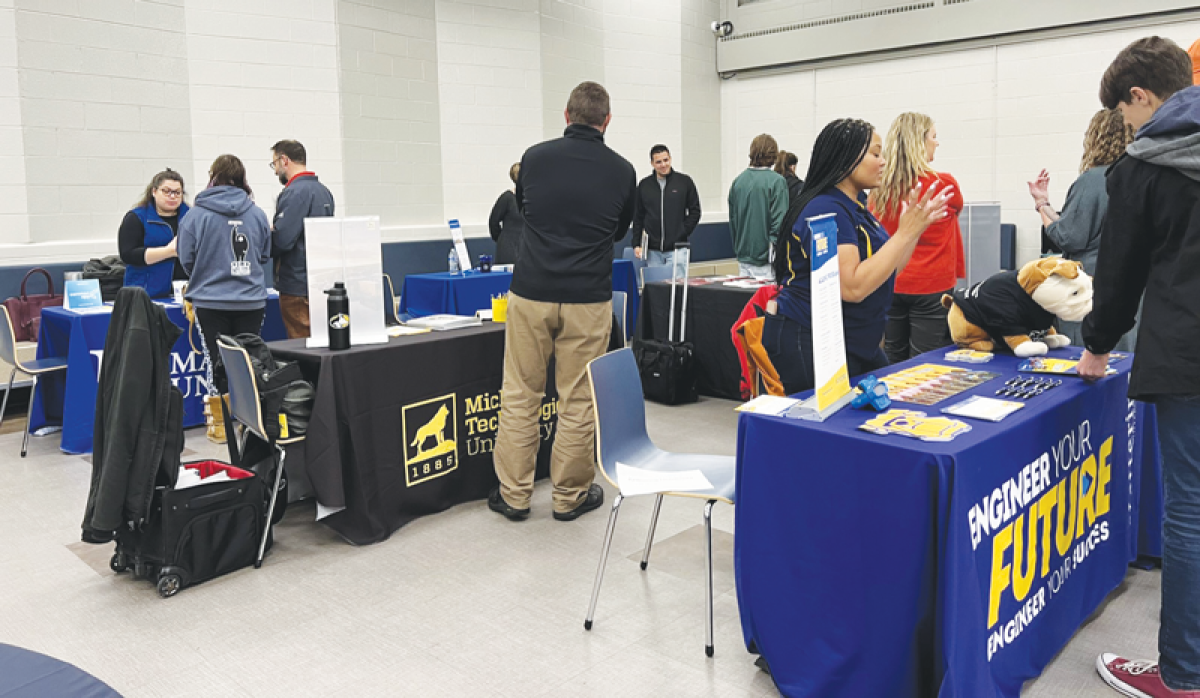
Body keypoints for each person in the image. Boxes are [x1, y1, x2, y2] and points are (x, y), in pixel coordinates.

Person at [1079, 37, 1200, 698]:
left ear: (1141, 97)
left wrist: (1095, 348)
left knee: (1189, 514)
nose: (1127, 129)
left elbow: (1118, 280)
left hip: (1187, 356)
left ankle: (1182, 674)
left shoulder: (1145, 163)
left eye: (1126, 116)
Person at [489, 81, 636, 522]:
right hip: (587, 298)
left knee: (519, 393)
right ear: (607, 120)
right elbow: (619, 230)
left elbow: (527, 212)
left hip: (531, 291)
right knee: (576, 400)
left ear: (567, 115)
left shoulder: (534, 158)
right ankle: (569, 497)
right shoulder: (623, 170)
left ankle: (513, 495)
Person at [763, 118, 952, 394]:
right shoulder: (826, 209)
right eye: (876, 154)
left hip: (853, 340)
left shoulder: (856, 206)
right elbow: (852, 288)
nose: (884, 162)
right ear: (847, 159)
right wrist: (903, 233)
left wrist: (912, 231)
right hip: (813, 340)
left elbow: (889, 269)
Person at [1026, 108, 1135, 348]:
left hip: (1089, 293)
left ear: (1096, 137)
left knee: (1086, 361)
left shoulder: (1093, 180)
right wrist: (1044, 203)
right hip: (1129, 289)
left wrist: (1041, 205)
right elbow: (1075, 223)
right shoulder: (1137, 177)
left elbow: (1067, 236)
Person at [870, 112, 964, 363]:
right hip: (931, 287)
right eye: (934, 137)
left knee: (892, 356)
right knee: (926, 362)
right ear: (920, 142)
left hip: (891, 281)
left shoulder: (880, 190)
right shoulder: (944, 184)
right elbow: (957, 207)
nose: (937, 142)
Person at [178, 154, 272, 393]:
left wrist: (205, 272)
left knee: (216, 363)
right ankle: (250, 424)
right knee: (249, 364)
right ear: (242, 179)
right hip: (250, 300)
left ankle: (222, 427)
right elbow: (263, 255)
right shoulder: (257, 214)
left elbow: (186, 258)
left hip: (211, 301)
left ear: (213, 177)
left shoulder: (195, 216)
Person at [270, 139, 335, 339]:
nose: (274, 171)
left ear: (284, 160)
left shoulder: (294, 193)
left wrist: (271, 234)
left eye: (274, 164)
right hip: (320, 282)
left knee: (301, 344)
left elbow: (283, 241)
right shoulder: (324, 192)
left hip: (297, 285)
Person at [118, 169, 190, 299]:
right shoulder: (137, 217)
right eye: (166, 191)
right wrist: (169, 251)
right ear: (154, 191)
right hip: (145, 295)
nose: (172, 196)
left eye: (177, 192)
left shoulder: (191, 217)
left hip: (186, 293)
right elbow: (128, 254)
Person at [631, 144, 701, 270]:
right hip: (653, 251)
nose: (663, 165)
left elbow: (695, 211)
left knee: (677, 288)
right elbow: (638, 216)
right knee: (656, 287)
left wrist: (682, 231)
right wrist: (636, 243)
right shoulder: (644, 186)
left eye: (666, 160)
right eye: (658, 162)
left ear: (670, 159)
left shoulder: (684, 182)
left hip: (677, 249)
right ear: (652, 163)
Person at [728, 134, 789, 278]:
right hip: (766, 261)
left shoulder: (738, 182)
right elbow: (780, 221)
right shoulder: (777, 182)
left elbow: (733, 221)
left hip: (743, 256)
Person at [488, 163, 525, 265]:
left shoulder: (530, 199)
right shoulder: (507, 198)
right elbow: (493, 222)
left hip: (526, 248)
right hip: (509, 249)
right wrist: (502, 239)